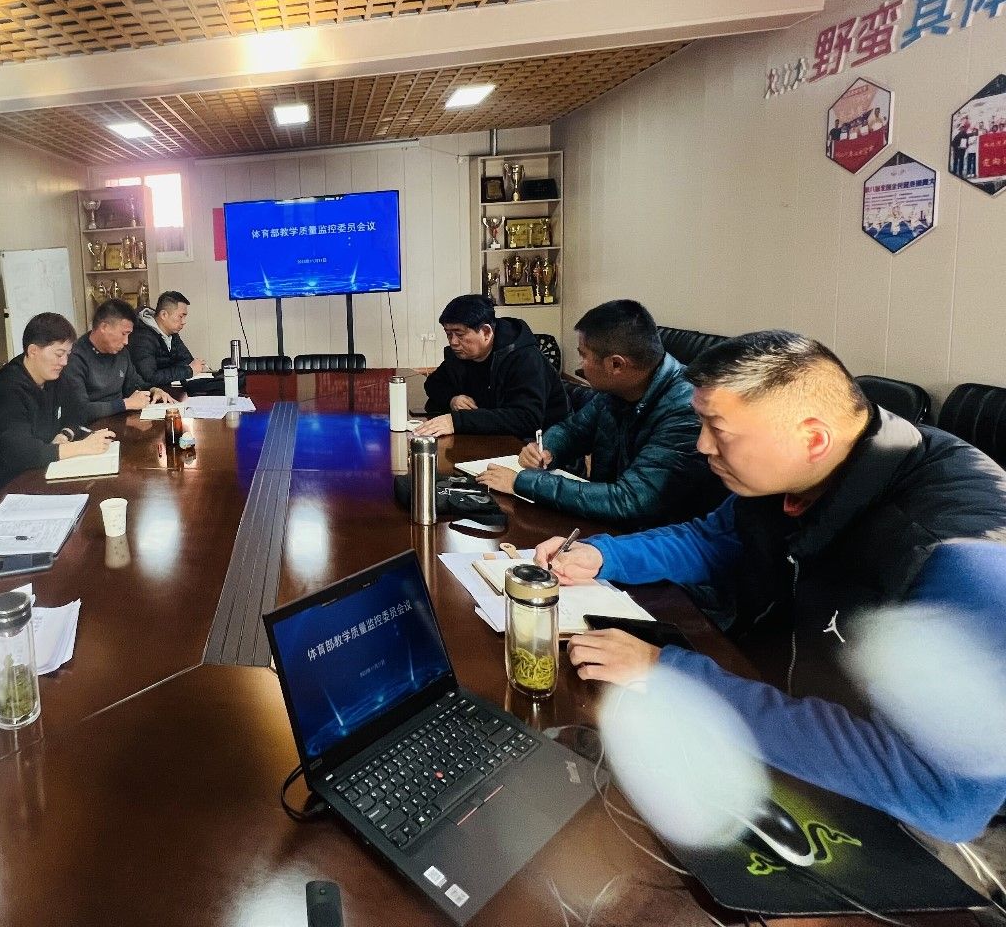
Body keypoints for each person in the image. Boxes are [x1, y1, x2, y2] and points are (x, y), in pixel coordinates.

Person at [547, 332, 1006, 843]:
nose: (702, 446)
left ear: (812, 438)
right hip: (789, 700)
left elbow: (942, 795)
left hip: (889, 813)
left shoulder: (963, 558)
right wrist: (604, 555)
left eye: (718, 430)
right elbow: (719, 538)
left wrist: (670, 672)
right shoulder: (808, 465)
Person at [475, 299, 724, 524]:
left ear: (616, 364)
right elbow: (573, 430)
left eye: (583, 356)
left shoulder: (687, 409)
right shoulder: (616, 391)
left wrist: (522, 482)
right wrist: (547, 449)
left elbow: (629, 501)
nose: (580, 365)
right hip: (603, 523)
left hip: (654, 540)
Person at [0, 312, 117, 504]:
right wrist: (80, 447)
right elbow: (19, 452)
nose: (64, 362)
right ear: (33, 351)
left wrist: (65, 434)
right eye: (59, 354)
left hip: (41, 471)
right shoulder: (7, 389)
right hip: (1, 488)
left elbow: (78, 411)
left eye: (67, 355)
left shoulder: (54, 375)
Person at [414, 293, 569, 438]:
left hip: (542, 445)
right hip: (491, 438)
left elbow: (527, 418)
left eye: (459, 334)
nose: (453, 342)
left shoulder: (524, 357)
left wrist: (457, 421)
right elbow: (433, 384)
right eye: (448, 334)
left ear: (486, 332)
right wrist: (452, 398)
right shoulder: (462, 354)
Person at [62, 298, 173, 425]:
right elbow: (80, 410)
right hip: (91, 428)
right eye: (124, 334)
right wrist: (125, 404)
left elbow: (135, 383)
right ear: (104, 327)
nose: (126, 342)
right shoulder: (74, 357)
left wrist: (153, 390)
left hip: (121, 421)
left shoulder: (121, 352)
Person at [132, 290, 210, 388]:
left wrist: (192, 368)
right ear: (164, 315)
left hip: (169, 390)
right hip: (148, 394)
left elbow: (188, 361)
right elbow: (149, 377)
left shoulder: (172, 333)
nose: (184, 322)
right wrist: (188, 371)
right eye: (180, 316)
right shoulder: (142, 337)